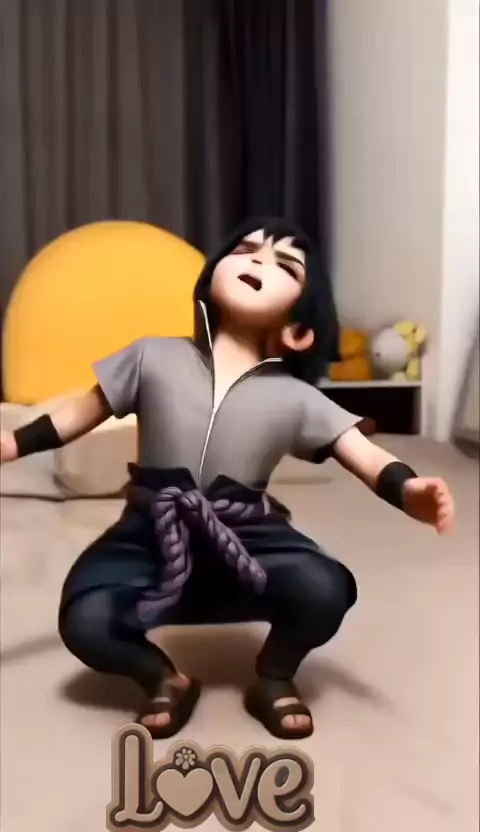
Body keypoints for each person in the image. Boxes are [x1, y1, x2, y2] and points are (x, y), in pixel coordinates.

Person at [0, 217, 455, 741]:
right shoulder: (153, 356)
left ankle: (275, 675)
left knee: (325, 589)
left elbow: (365, 455)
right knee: (85, 619)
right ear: (211, 276)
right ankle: (163, 678)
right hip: (149, 535)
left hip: (248, 539)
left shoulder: (296, 398)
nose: (258, 260)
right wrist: (14, 443)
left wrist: (408, 489)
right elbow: (79, 412)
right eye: (246, 249)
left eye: (285, 265)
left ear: (300, 328)